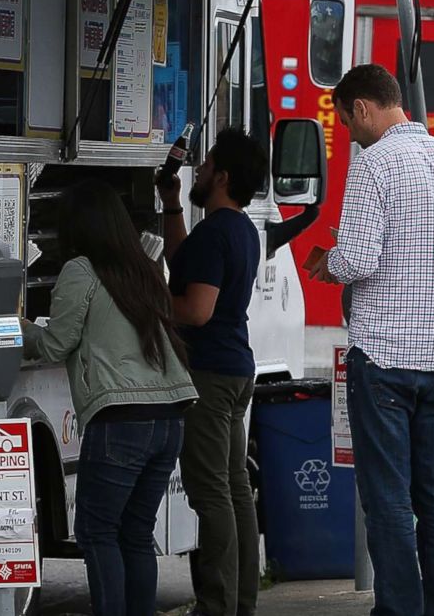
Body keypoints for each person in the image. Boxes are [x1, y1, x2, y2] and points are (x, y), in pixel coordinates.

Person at [304, 63, 434, 616]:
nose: (348, 132)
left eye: (345, 120)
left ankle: (400, 608)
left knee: (387, 495)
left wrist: (328, 263)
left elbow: (358, 258)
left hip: (384, 353)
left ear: (362, 107)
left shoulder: (374, 165)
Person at [23, 180, 197, 616]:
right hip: (169, 416)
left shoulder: (80, 270)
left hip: (121, 419)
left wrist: (12, 325)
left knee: (98, 532)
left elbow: (54, 345)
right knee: (136, 533)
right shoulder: (144, 267)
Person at [158, 128, 266, 616]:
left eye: (204, 167)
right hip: (236, 369)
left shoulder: (215, 233)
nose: (196, 171)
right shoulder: (240, 229)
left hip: (209, 374)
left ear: (221, 176)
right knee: (235, 486)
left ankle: (216, 603)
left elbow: (196, 309)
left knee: (210, 491)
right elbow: (186, 263)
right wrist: (172, 204)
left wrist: (144, 297)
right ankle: (242, 600)